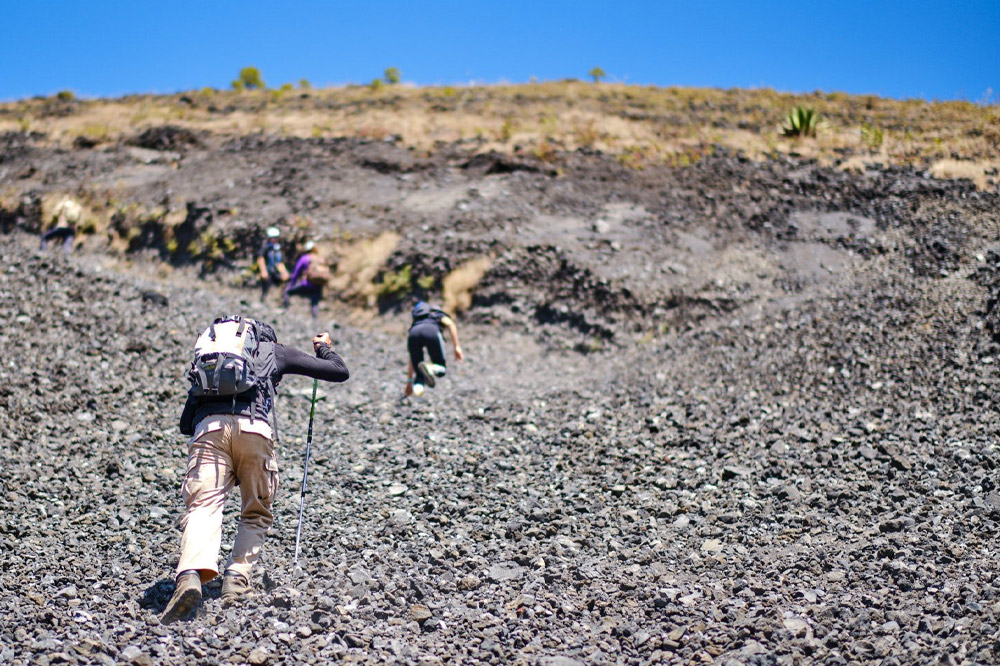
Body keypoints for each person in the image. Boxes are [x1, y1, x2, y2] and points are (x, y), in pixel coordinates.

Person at [161, 318, 349, 624]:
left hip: (209, 431)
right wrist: (324, 349)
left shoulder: (209, 358)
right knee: (255, 511)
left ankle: (190, 576)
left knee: (204, 506)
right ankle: (236, 579)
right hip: (255, 431)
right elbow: (339, 372)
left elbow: (185, 424)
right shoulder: (275, 352)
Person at [404, 301, 464, 398]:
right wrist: (457, 346)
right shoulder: (435, 313)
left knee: (419, 375)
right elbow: (450, 324)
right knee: (441, 369)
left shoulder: (415, 323)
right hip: (431, 330)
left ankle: (417, 392)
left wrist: (409, 381)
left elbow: (412, 357)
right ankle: (430, 367)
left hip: (413, 334)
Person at [283, 241, 326, 319]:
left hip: (306, 284)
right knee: (314, 302)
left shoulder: (304, 258)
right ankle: (315, 319)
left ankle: (285, 311)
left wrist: (291, 284)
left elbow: (296, 272)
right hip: (317, 285)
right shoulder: (319, 259)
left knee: (287, 291)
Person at [256, 227, 289, 303]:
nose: (275, 239)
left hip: (275, 271)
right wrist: (263, 271)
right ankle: (263, 300)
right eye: (273, 238)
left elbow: (279, 262)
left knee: (285, 283)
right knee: (266, 285)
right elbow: (260, 259)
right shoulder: (265, 247)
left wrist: (284, 272)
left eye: (276, 238)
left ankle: (282, 301)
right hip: (267, 271)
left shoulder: (277, 248)